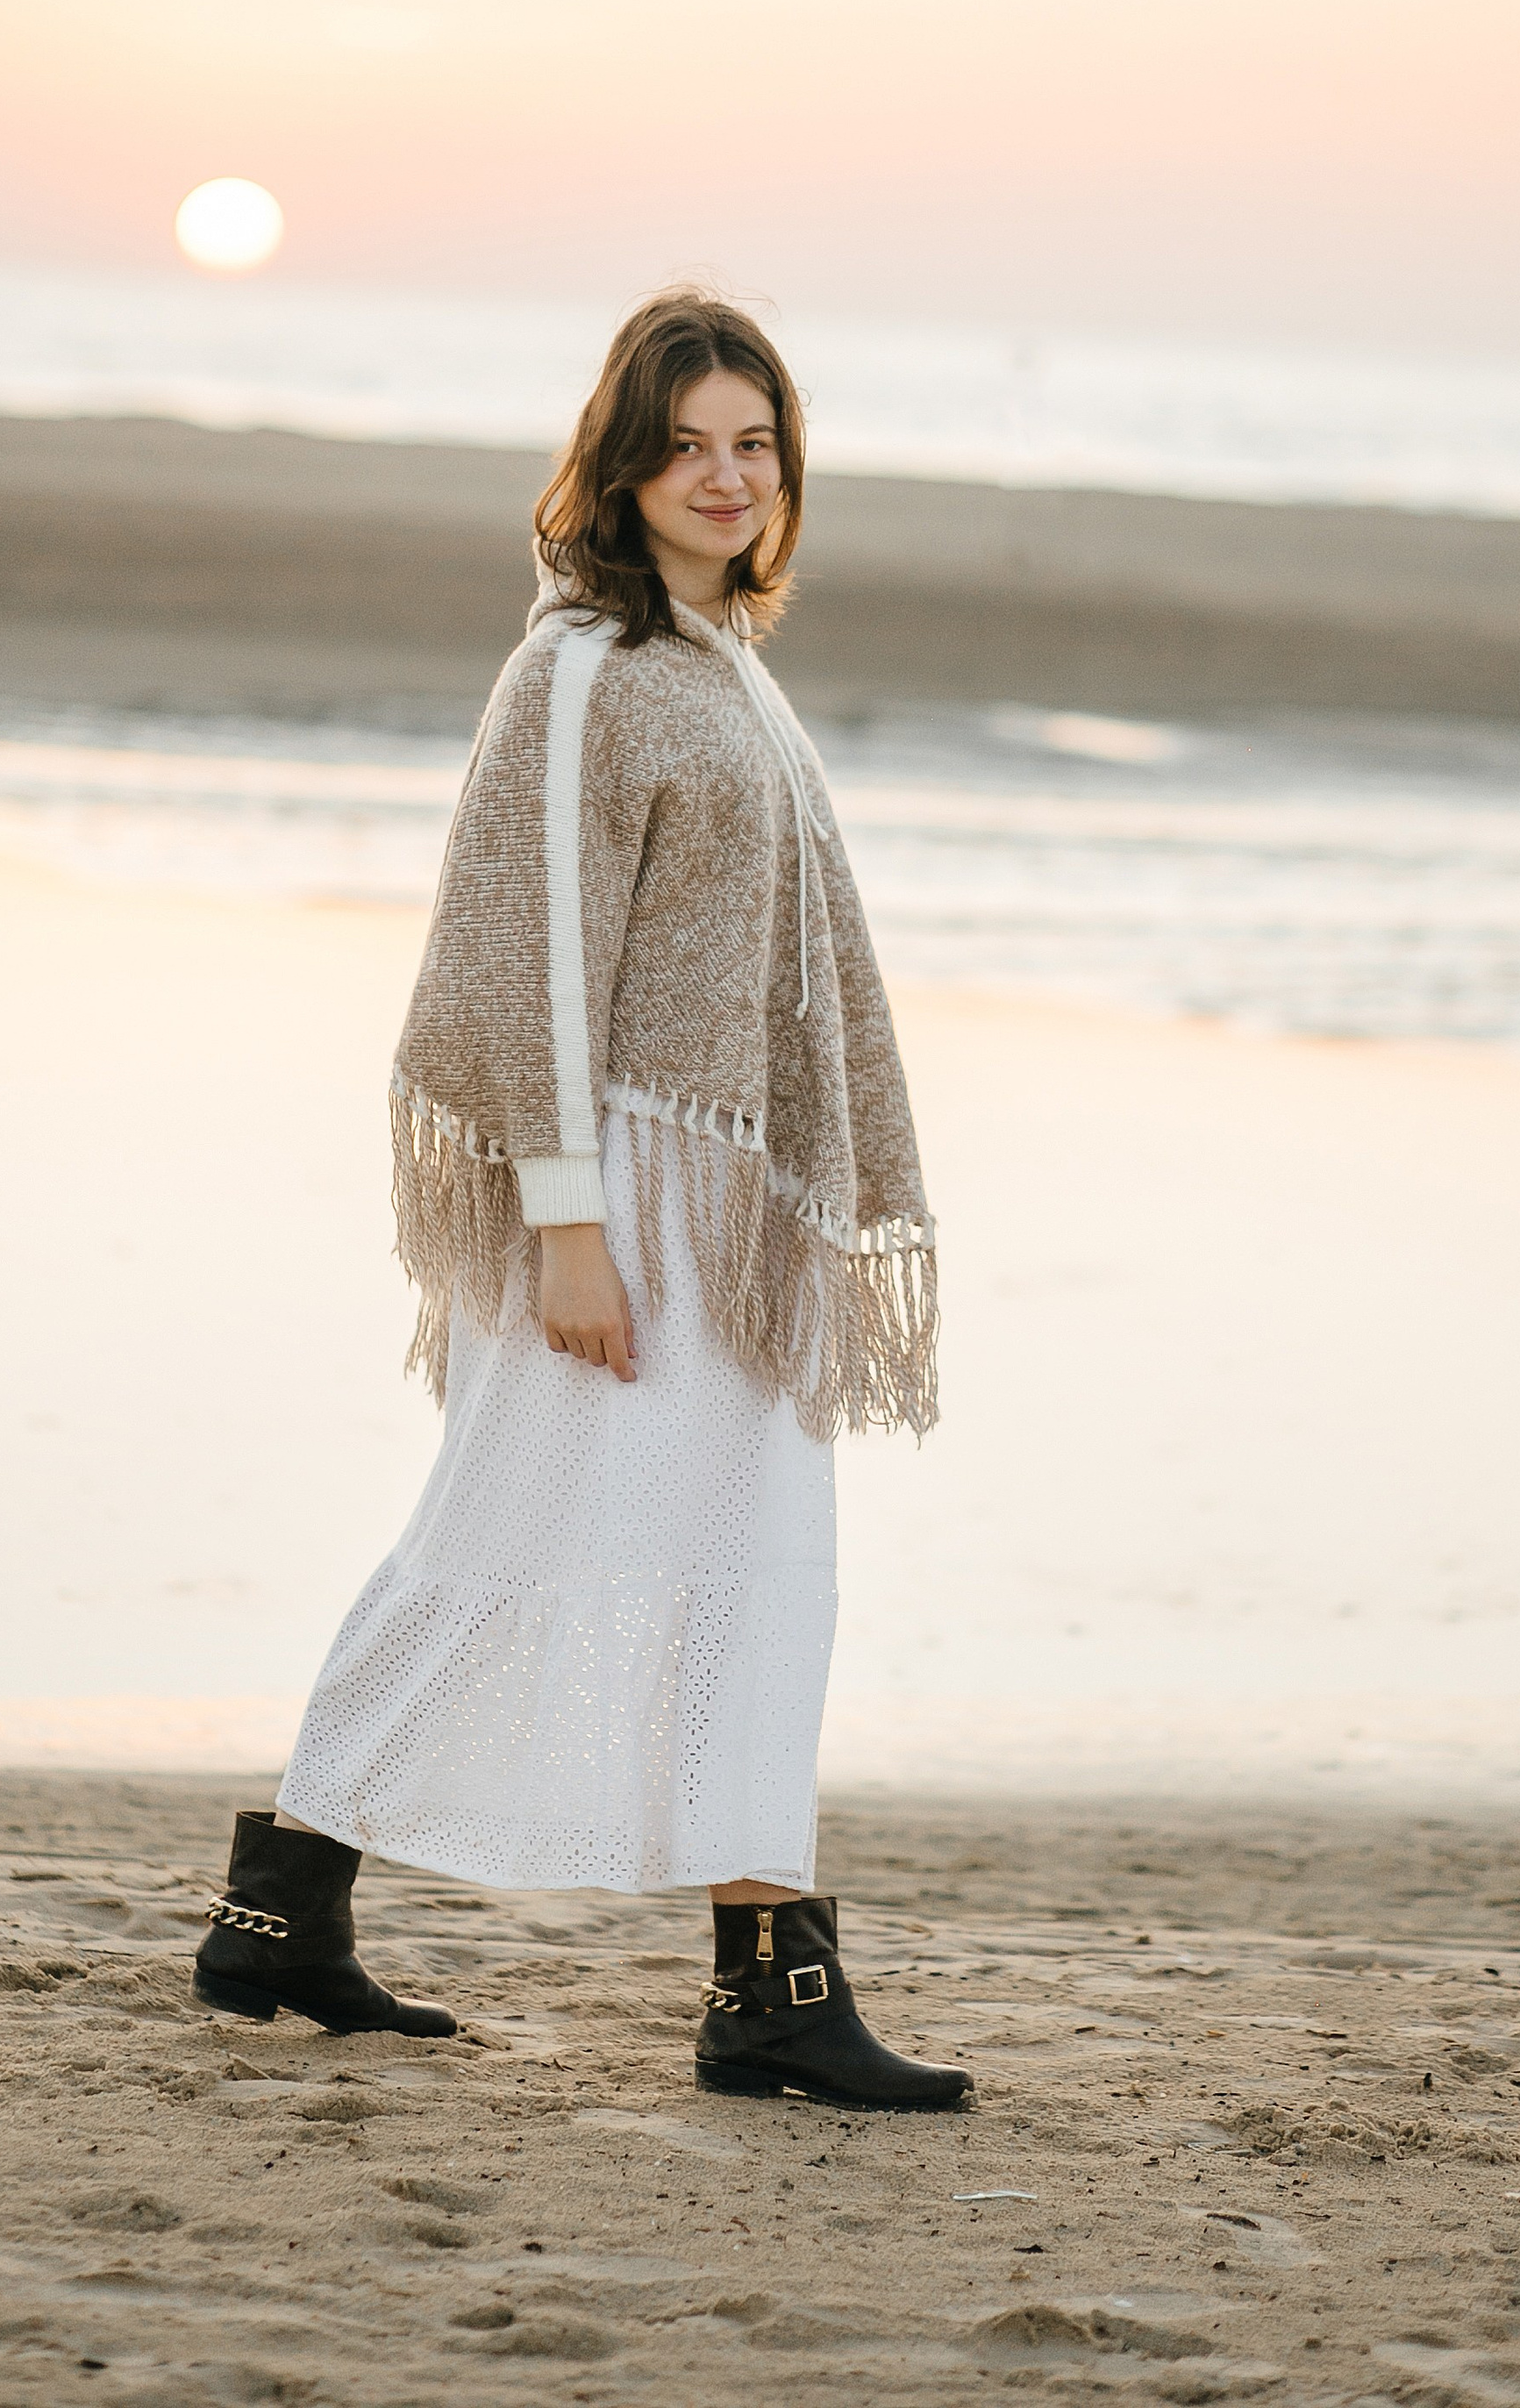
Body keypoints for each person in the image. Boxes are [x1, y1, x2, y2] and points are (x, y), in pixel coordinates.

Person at [191, 289, 964, 2111]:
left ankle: (746, 1978)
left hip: (731, 1206)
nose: (722, 475)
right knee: (498, 1542)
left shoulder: (726, 663)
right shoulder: (579, 670)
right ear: (619, 465)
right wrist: (563, 1227)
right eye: (686, 442)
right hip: (617, 1193)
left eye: (752, 444)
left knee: (759, 1576)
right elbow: (530, 958)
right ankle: (293, 1907)